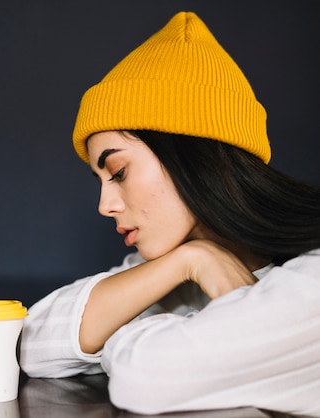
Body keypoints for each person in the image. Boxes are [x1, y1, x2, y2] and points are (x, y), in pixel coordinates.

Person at [19, 11, 320, 416]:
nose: (105, 205)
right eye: (100, 181)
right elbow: (35, 342)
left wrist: (129, 334)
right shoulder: (181, 267)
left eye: (119, 172)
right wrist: (192, 260)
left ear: (193, 156)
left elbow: (145, 377)